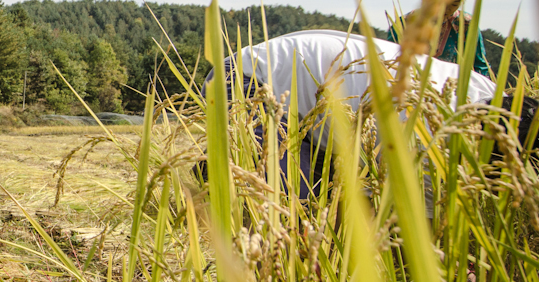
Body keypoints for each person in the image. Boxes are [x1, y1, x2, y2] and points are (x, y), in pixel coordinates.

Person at [218, 29, 527, 200]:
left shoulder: (483, 87)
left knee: (321, 199)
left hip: (304, 78)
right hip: (252, 81)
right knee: (288, 215)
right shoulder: (429, 142)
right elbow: (371, 214)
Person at [386, 0, 491, 76]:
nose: (447, 8)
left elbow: (479, 65)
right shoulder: (407, 22)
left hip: (451, 84)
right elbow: (390, 57)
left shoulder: (466, 24)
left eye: (454, 4)